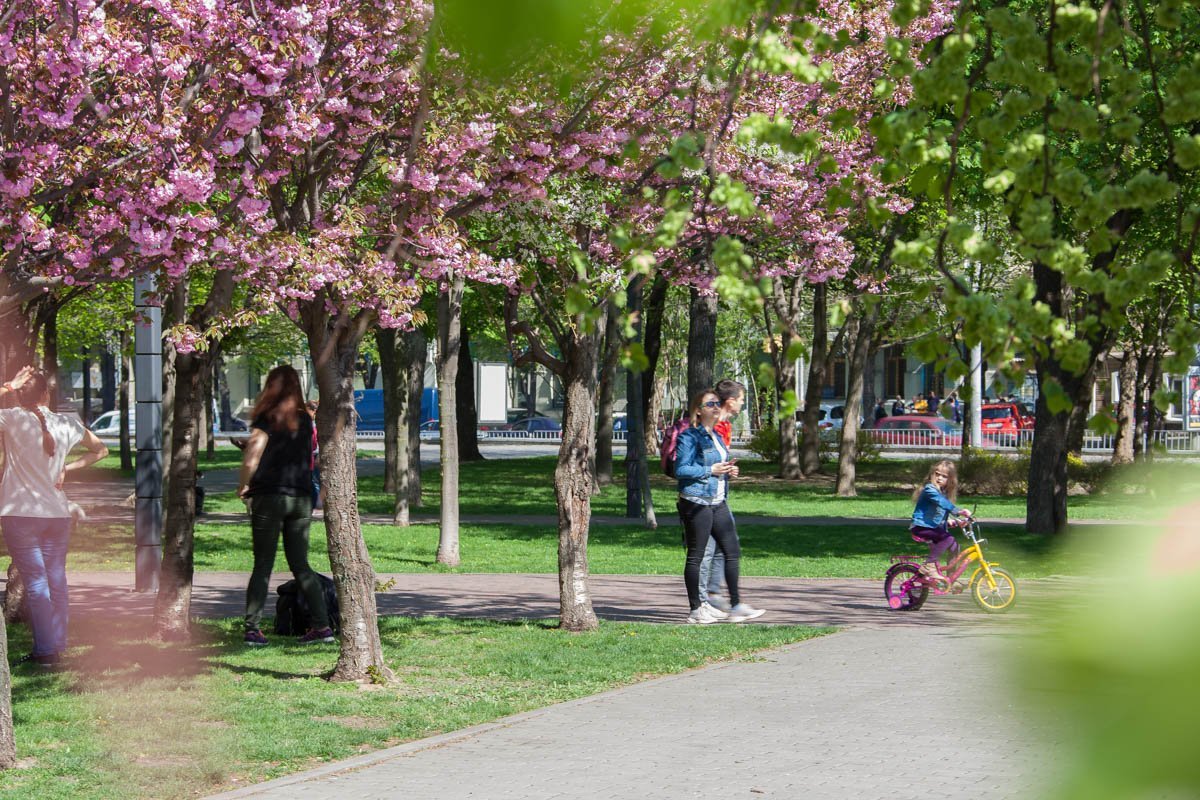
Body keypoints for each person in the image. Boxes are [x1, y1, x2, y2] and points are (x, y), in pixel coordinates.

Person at [0, 367, 108, 666]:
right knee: (56, 580)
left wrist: (8, 387)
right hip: (57, 514)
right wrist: (67, 469)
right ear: (47, 393)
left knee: (37, 583)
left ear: (21, 394)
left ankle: (46, 652)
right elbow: (101, 451)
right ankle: (56, 645)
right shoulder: (67, 423)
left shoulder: (11, 419)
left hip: (19, 513)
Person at [237, 365, 334, 646]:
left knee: (263, 564)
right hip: (301, 497)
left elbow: (251, 456)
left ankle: (252, 629)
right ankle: (322, 627)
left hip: (270, 496)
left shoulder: (268, 418)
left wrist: (243, 484)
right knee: (300, 563)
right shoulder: (305, 421)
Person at [675, 388, 765, 624]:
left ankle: (735, 605)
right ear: (698, 410)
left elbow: (717, 464)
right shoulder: (689, 437)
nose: (716, 407)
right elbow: (681, 470)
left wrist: (728, 471)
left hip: (717, 501)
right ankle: (697, 609)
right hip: (697, 502)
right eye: (710, 404)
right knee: (697, 555)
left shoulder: (714, 434)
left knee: (731, 551)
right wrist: (710, 470)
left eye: (717, 404)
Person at [698, 379, 745, 612]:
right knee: (706, 550)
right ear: (731, 401)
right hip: (702, 498)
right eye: (742, 400)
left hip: (719, 495)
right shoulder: (712, 425)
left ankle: (715, 594)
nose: (742, 405)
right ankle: (703, 601)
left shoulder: (725, 427)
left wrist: (728, 470)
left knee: (725, 547)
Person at [909, 459, 972, 583]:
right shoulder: (930, 489)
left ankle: (951, 579)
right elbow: (941, 502)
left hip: (931, 527)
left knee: (955, 546)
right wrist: (958, 511)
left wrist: (956, 522)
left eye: (944, 476)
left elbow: (939, 515)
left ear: (950, 480)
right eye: (937, 474)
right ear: (932, 474)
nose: (939, 478)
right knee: (947, 539)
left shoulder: (942, 492)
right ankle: (929, 565)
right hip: (921, 527)